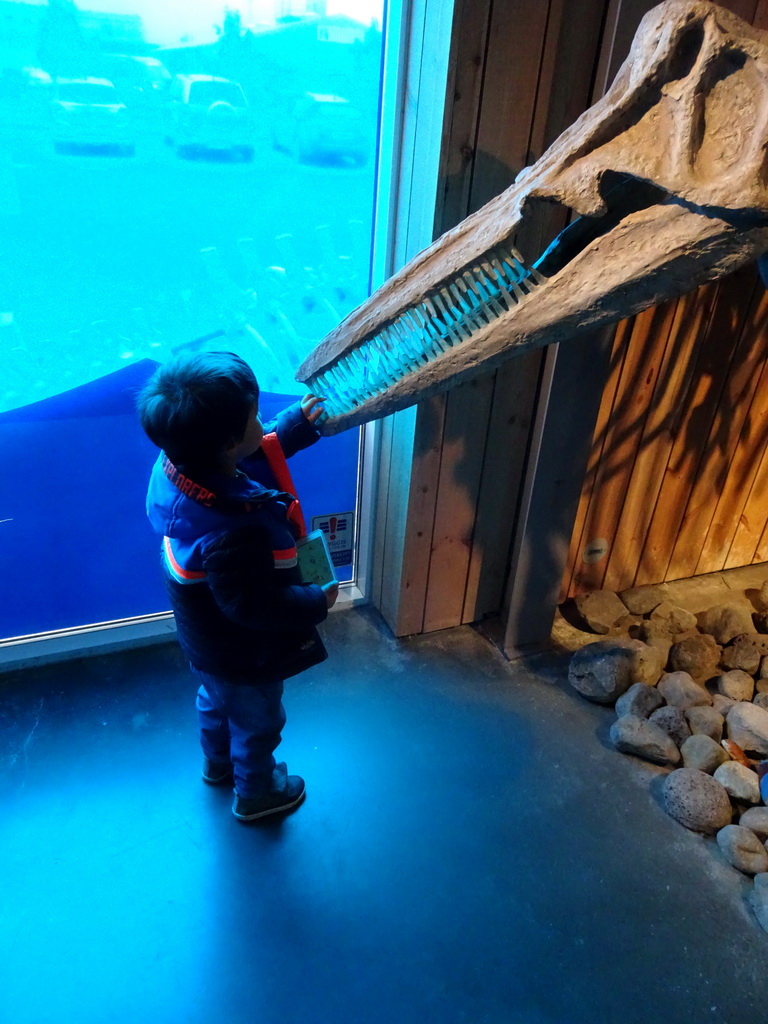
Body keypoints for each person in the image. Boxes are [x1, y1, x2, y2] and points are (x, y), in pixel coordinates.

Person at [137, 351, 338, 821]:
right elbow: (253, 606)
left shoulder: (180, 467)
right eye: (257, 416)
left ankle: (217, 763)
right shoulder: (232, 530)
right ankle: (256, 793)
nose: (264, 421)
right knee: (259, 719)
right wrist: (316, 600)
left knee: (214, 700)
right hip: (241, 652)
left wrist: (293, 426)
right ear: (229, 442)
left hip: (206, 647)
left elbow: (246, 453)